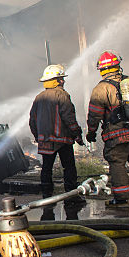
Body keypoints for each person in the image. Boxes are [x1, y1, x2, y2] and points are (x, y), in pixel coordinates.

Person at [86, 51, 129, 207]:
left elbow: (94, 115)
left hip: (116, 135)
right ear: (118, 65)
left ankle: (121, 198)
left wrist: (91, 133)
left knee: (117, 164)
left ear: (102, 69)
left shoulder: (100, 89)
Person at [29, 64, 86, 220]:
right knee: (69, 168)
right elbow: (69, 118)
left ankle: (47, 198)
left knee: (46, 169)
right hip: (63, 140)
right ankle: (71, 197)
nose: (63, 81)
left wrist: (38, 136)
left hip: (45, 140)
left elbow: (32, 120)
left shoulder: (39, 97)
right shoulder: (62, 96)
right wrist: (77, 134)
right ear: (58, 80)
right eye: (61, 78)